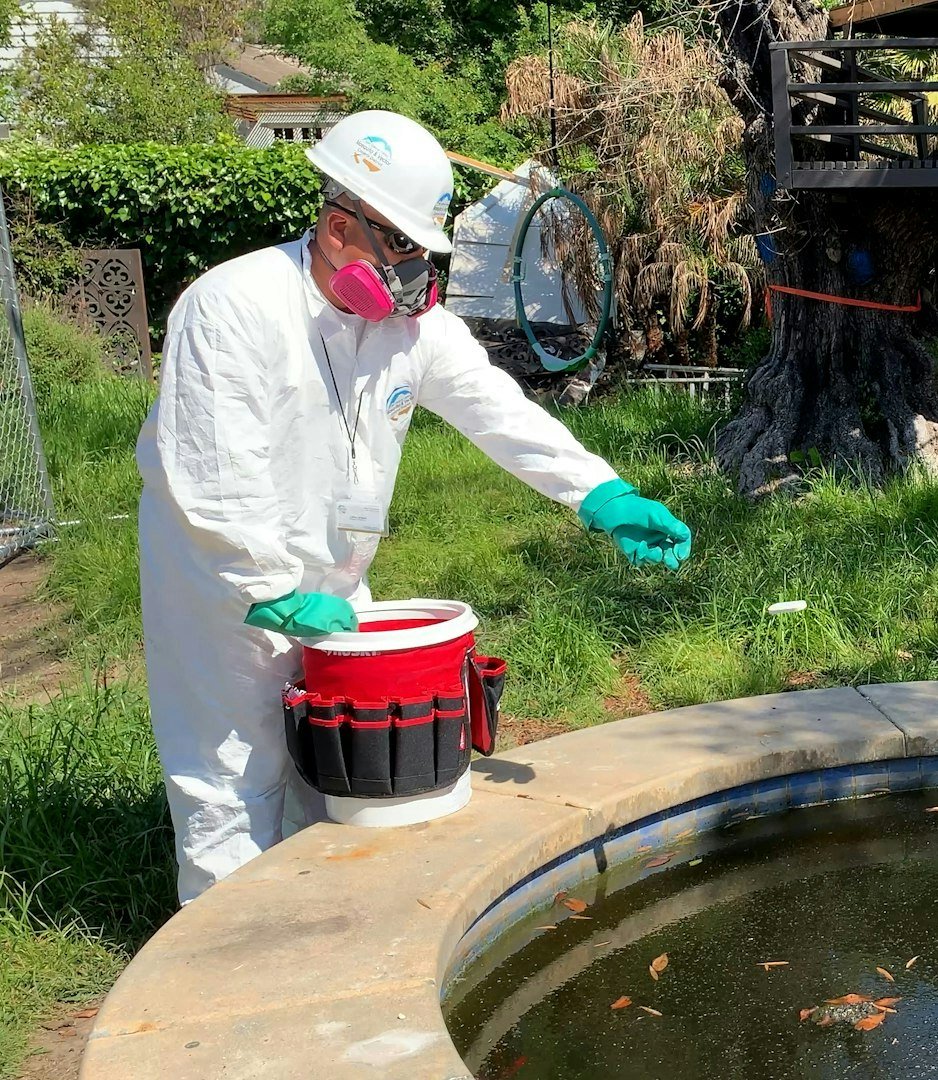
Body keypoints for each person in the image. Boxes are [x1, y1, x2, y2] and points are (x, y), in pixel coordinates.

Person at [136, 110, 691, 903]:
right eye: (397, 245)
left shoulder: (407, 328)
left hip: (330, 581)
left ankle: (311, 933)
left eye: (420, 251)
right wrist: (265, 588)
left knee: (325, 769)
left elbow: (497, 409)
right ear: (337, 227)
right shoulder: (232, 307)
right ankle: (224, 967)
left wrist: (598, 492)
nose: (411, 271)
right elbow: (214, 471)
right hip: (222, 589)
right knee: (231, 778)